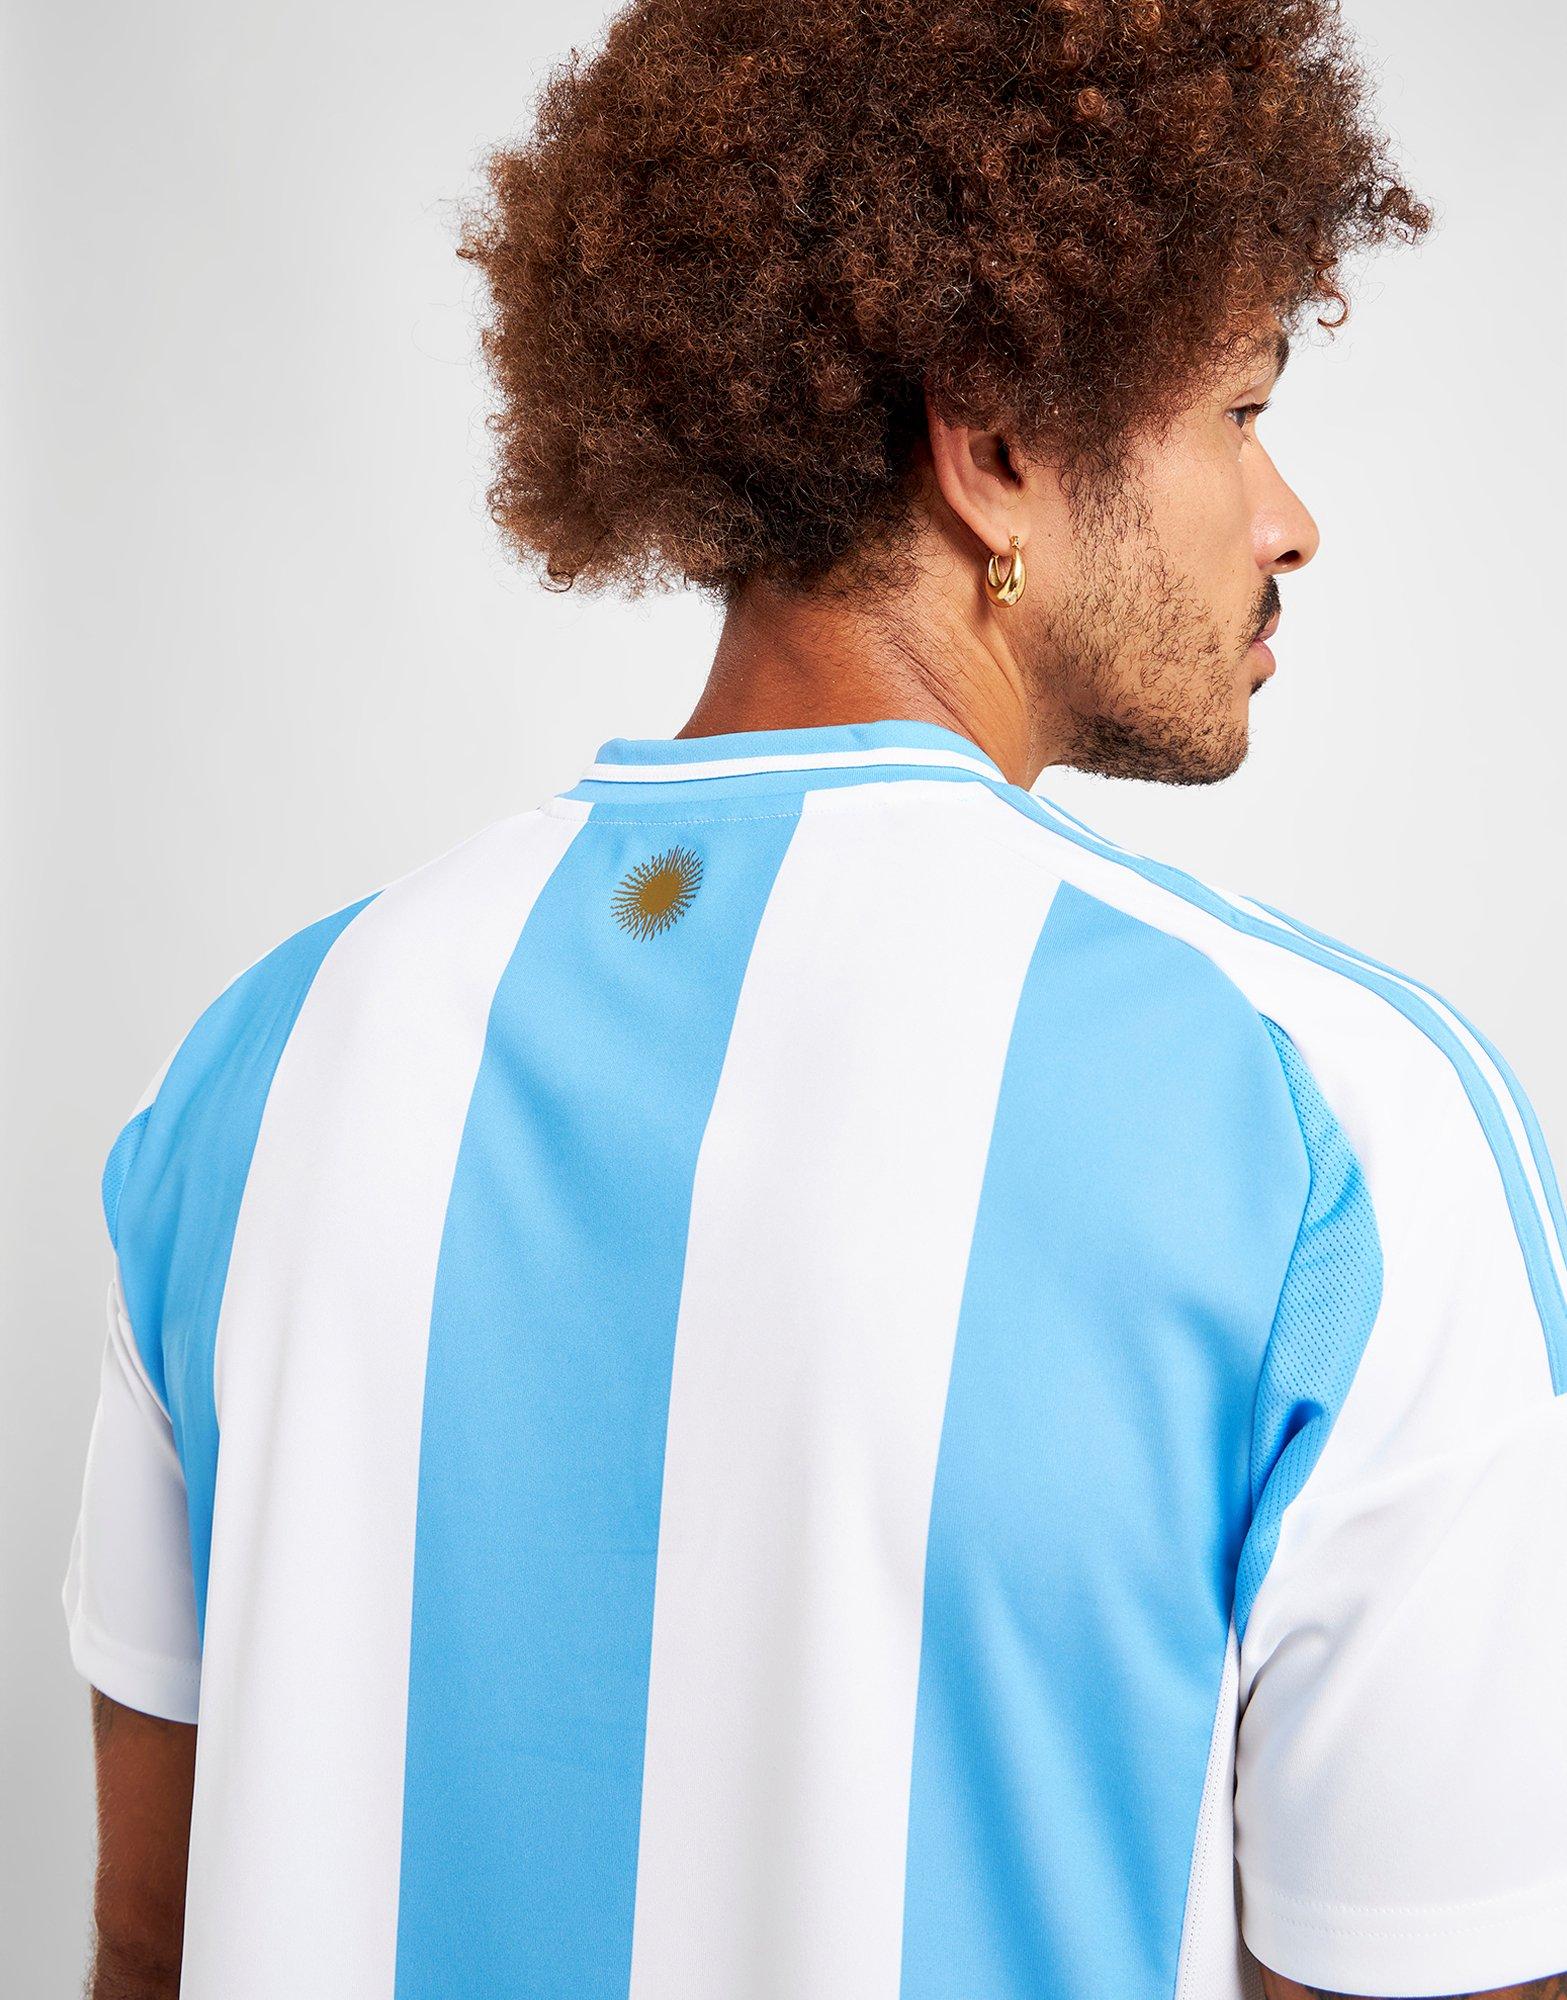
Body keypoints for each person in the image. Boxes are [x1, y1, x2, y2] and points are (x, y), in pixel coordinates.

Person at [61, 0, 1567, 1995]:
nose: (1287, 516)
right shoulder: (1331, 1120)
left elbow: (146, 1937)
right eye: (1237, 410)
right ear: (998, 446)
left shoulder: (257, 1068)